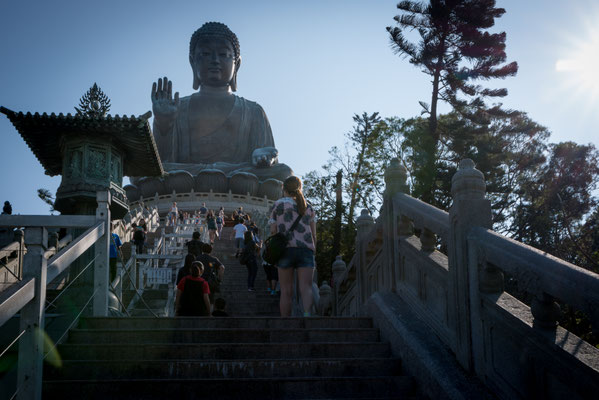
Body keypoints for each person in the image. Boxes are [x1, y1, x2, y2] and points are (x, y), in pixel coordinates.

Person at [150, 22, 292, 182]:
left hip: (237, 176)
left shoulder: (253, 111)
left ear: (236, 64)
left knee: (284, 172)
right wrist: (163, 125)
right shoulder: (177, 107)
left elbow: (270, 164)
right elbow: (161, 163)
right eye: (205, 53)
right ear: (192, 61)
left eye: (224, 54)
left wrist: (263, 157)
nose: (215, 60)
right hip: (191, 176)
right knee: (144, 173)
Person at [269, 176, 317, 317]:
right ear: (299, 188)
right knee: (306, 288)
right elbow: (314, 234)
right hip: (306, 249)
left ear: (284, 188)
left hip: (285, 250)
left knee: (286, 290)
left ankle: (286, 322)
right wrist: (314, 250)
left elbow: (273, 231)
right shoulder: (308, 207)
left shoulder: (278, 205)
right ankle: (307, 317)